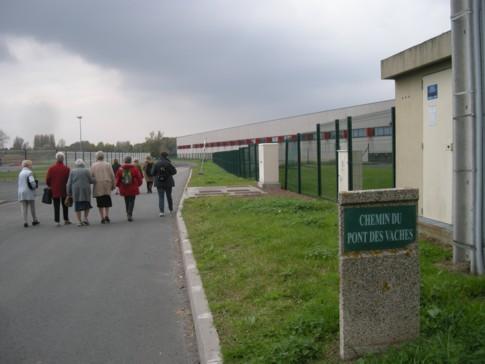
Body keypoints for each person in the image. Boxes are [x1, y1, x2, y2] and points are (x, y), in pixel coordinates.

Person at [46, 152, 71, 226]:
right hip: (64, 189)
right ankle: (66, 219)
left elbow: (48, 179)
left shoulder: (51, 168)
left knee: (56, 205)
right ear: (63, 159)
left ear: (56, 159)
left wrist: (50, 185)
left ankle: (57, 221)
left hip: (55, 189)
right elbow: (68, 180)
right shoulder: (67, 169)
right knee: (65, 205)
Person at [90, 151, 115, 224]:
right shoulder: (108, 164)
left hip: (98, 185)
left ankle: (102, 217)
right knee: (107, 201)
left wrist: (92, 182)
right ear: (103, 157)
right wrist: (113, 185)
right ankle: (107, 215)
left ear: (96, 157)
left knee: (100, 202)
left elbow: (91, 176)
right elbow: (112, 175)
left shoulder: (93, 165)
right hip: (107, 184)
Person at [115, 156, 142, 222]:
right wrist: (138, 184)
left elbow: (117, 178)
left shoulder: (120, 169)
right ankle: (130, 214)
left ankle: (128, 213)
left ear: (124, 161)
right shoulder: (134, 168)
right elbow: (139, 178)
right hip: (133, 187)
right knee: (132, 201)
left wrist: (118, 186)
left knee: (126, 200)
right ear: (130, 161)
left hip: (124, 187)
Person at [67, 159, 93, 226]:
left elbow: (69, 183)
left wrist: (68, 193)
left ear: (76, 165)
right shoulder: (87, 170)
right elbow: (91, 180)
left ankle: (79, 221)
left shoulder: (72, 171)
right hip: (85, 190)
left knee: (77, 205)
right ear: (83, 164)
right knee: (87, 204)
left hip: (76, 190)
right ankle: (85, 218)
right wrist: (96, 179)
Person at [152, 152, 177, 217]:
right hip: (168, 182)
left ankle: (161, 212)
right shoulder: (168, 163)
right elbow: (174, 172)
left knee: (161, 197)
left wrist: (157, 175)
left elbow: (152, 173)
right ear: (167, 156)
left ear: (160, 156)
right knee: (169, 196)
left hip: (159, 182)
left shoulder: (156, 163)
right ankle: (171, 209)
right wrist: (168, 174)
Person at [18, 160, 39, 227]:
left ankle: (25, 221)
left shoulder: (20, 173)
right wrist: (35, 186)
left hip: (21, 192)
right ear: (28, 165)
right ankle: (34, 220)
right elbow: (32, 182)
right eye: (31, 165)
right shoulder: (29, 173)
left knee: (24, 207)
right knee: (32, 207)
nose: (31, 166)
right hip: (29, 192)